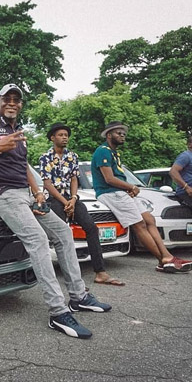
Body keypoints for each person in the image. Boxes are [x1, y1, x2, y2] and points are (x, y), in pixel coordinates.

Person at [0, 84, 112, 340]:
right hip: (1, 194)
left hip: (25, 193)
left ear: (20, 104)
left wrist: (38, 192)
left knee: (64, 233)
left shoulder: (16, 132)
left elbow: (23, 167)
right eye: (7, 99)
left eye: (16, 99)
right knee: (38, 240)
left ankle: (79, 296)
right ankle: (58, 312)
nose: (12, 103)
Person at [91, 121, 192, 273]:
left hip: (120, 192)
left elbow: (118, 178)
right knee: (139, 225)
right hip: (110, 193)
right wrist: (132, 187)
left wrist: (130, 188)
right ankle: (164, 260)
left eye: (123, 133)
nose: (122, 135)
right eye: (118, 133)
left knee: (150, 219)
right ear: (108, 135)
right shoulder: (103, 151)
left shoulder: (114, 153)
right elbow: (109, 179)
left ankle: (167, 256)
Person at [39, 122, 125, 286]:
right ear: (52, 138)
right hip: (55, 199)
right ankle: (60, 274)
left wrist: (73, 198)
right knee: (60, 233)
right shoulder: (45, 157)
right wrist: (65, 202)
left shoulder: (73, 156)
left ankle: (100, 272)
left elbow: (74, 179)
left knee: (91, 228)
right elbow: (47, 184)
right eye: (60, 135)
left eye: (66, 135)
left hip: (71, 199)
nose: (64, 137)